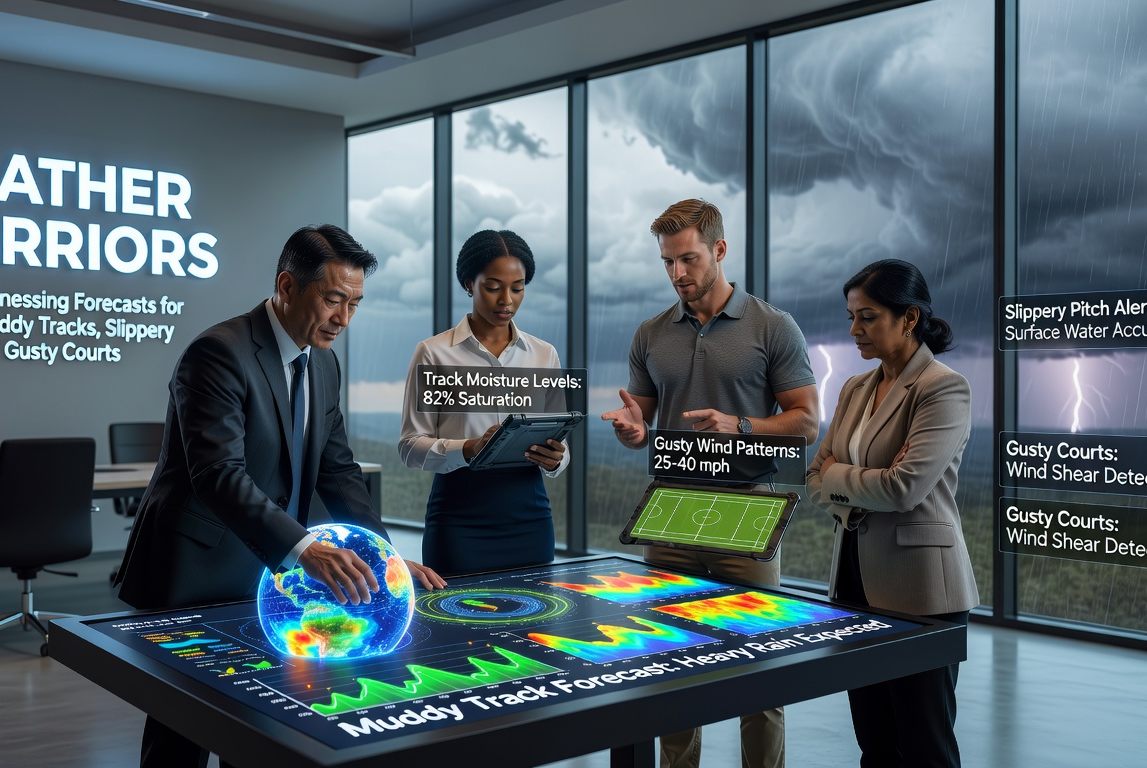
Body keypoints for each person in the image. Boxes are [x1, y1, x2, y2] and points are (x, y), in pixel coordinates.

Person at [116, 224, 446, 768]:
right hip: (200, 569)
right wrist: (303, 549)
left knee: (256, 726)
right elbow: (217, 475)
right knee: (184, 733)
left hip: (270, 573)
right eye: (333, 300)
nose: (344, 319)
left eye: (355, 304)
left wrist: (383, 558)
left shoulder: (325, 362)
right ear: (287, 287)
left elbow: (337, 470)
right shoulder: (218, 352)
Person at [601, 199, 818, 768]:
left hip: (746, 509)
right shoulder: (650, 333)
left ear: (719, 251)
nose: (678, 274)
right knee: (671, 663)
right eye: (669, 262)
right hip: (669, 508)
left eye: (689, 259)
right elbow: (641, 417)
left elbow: (806, 420)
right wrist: (631, 429)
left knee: (758, 667)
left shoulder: (773, 326)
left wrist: (741, 426)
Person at [805, 258, 979, 768]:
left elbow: (904, 489)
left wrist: (839, 475)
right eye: (851, 316)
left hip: (921, 589)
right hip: (855, 581)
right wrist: (845, 479)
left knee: (925, 745)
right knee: (874, 743)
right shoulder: (855, 389)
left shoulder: (943, 388)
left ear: (909, 317)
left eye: (868, 316)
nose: (855, 330)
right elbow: (813, 476)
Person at [398, 229, 568, 576]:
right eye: (493, 287)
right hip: (458, 522)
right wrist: (470, 448)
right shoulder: (433, 353)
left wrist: (557, 458)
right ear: (468, 284)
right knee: (457, 626)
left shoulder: (544, 354)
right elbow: (410, 447)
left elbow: (560, 444)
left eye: (517, 288)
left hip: (531, 518)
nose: (506, 299)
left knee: (535, 625)